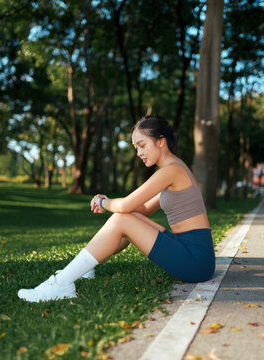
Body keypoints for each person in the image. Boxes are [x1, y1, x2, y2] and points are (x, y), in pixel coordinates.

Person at [18, 115, 215, 302]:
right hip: (191, 252)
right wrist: (111, 203)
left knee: (122, 218)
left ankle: (61, 284)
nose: (138, 153)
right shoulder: (174, 168)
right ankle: (85, 267)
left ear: (161, 141)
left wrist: (103, 202)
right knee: (126, 217)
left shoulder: (172, 170)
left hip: (195, 262)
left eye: (142, 145)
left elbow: (125, 205)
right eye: (136, 147)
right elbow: (143, 209)